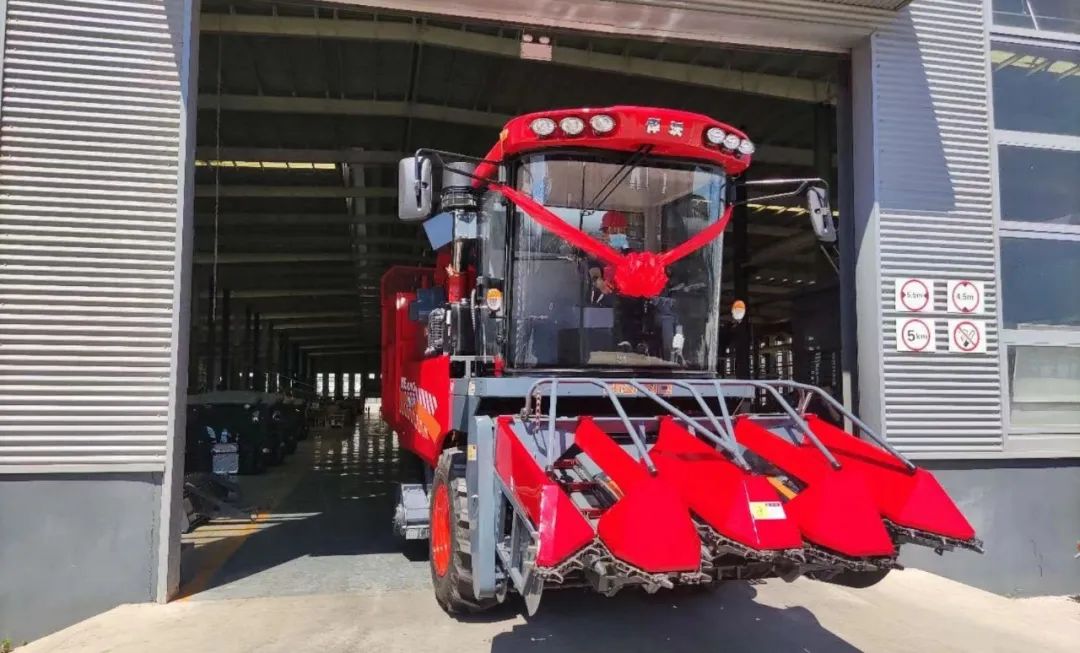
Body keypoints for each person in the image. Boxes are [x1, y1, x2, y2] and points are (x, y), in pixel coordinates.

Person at [586, 211, 646, 353]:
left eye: (621, 230)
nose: (618, 234)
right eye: (613, 231)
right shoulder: (597, 253)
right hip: (604, 309)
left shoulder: (632, 255)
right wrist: (599, 282)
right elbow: (593, 271)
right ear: (605, 233)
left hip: (630, 309)